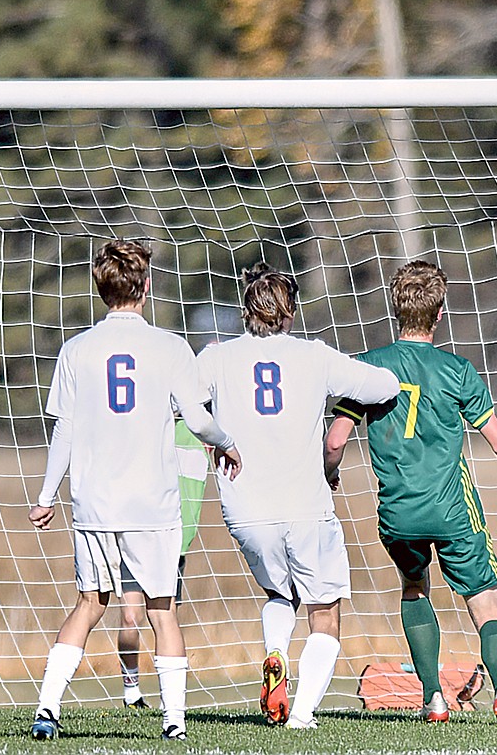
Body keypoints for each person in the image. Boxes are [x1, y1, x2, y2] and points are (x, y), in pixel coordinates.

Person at [28, 239, 242, 742]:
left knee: (89, 604)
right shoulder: (169, 348)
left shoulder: (76, 349)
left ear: (102, 290)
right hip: (153, 504)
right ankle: (174, 722)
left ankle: (47, 710)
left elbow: (65, 429)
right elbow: (197, 420)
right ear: (146, 288)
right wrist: (228, 443)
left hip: (96, 503)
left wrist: (44, 495)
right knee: (161, 609)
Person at [324, 260, 497, 726]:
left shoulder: (369, 367)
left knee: (415, 588)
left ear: (394, 309)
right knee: (485, 601)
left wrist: (329, 474)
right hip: (453, 509)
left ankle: (434, 698)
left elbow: (335, 440)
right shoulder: (458, 370)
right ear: (439, 313)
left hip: (398, 512)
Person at [196, 263, 400, 730]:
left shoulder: (216, 358)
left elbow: (177, 400)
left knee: (277, 592)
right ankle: (302, 714)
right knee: (324, 611)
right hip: (306, 505)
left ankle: (274, 654)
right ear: (289, 312)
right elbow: (383, 386)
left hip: (245, 508)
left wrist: (211, 432)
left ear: (246, 309)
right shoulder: (314, 356)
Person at [116, 419, 211, 710]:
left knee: (165, 619)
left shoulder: (202, 429)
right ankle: (131, 691)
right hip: (134, 533)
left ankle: (168, 699)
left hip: (173, 543)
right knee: (131, 617)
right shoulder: (142, 422)